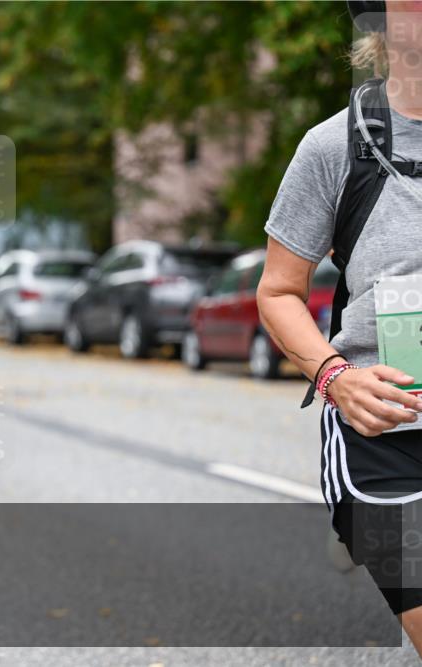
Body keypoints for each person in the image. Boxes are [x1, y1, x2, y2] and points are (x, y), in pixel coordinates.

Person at [256, 2, 422, 653]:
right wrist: (335, 377)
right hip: (385, 436)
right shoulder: (334, 146)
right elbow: (278, 292)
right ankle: (362, 518)